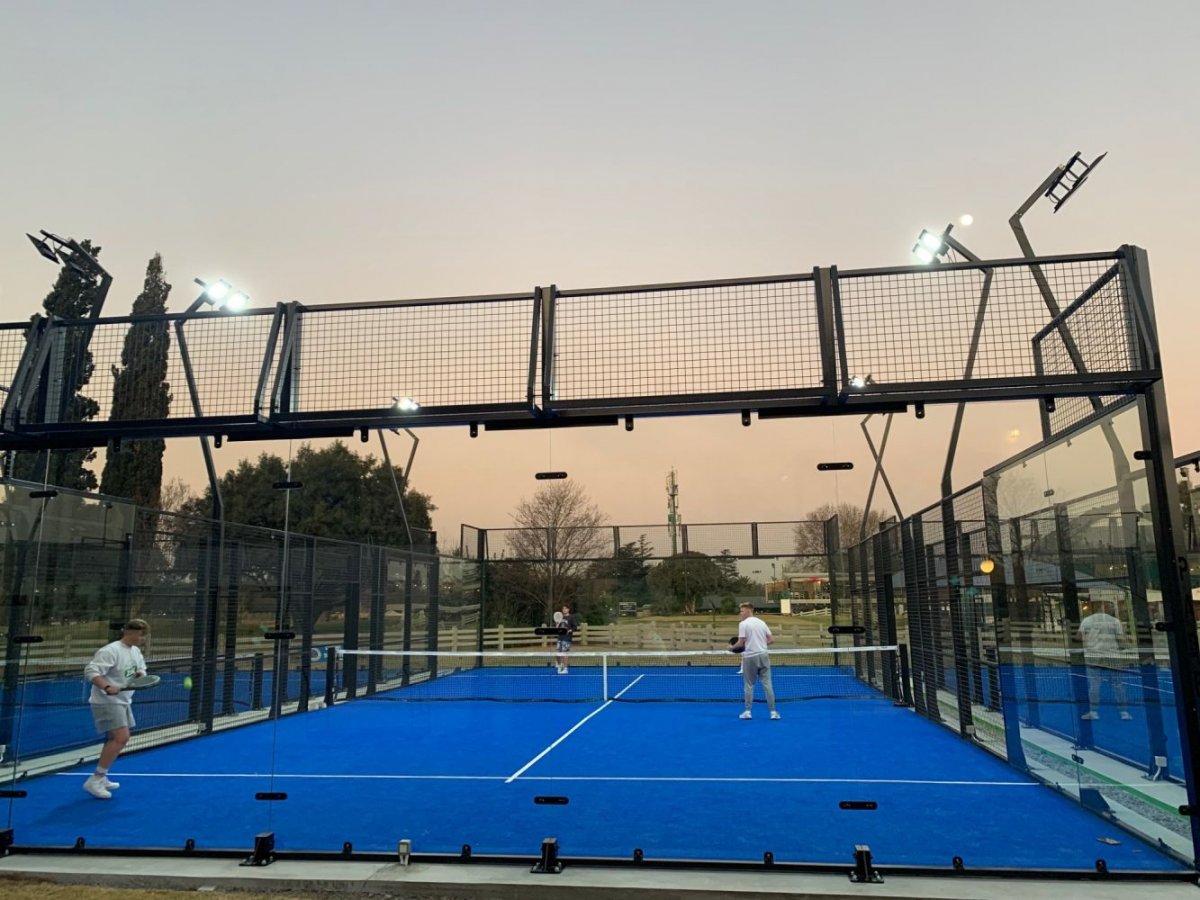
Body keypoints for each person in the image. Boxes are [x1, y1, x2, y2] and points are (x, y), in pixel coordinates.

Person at [81, 619, 149, 799]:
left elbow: (141, 669)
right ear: (130, 633)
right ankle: (95, 780)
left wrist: (140, 674)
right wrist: (107, 687)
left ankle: (101, 776)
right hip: (106, 701)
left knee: (117, 739)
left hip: (123, 700)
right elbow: (91, 671)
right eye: (141, 635)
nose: (143, 639)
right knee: (121, 737)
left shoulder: (135, 651)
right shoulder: (110, 651)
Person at [1076, 600, 1131, 721]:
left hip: (1093, 656)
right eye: (1110, 606)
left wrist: (1090, 639)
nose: (1112, 609)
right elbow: (1122, 641)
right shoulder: (1115, 621)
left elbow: (1078, 637)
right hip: (1112, 656)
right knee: (1118, 685)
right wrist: (1125, 641)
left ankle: (1093, 712)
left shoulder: (1087, 620)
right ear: (1103, 607)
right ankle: (1124, 712)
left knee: (1094, 685)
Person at [729, 602, 780, 720]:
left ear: (748, 611)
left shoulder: (743, 624)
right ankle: (773, 712)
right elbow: (771, 640)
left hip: (750, 657)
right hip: (764, 656)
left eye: (742, 611)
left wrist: (731, 648)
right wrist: (760, 645)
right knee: (767, 684)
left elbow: (740, 643)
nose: (740, 613)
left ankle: (747, 712)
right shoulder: (762, 622)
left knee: (749, 685)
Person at [556, 604, 579, 674]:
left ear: (568, 609)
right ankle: (560, 667)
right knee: (558, 654)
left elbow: (575, 627)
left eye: (565, 608)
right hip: (560, 638)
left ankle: (565, 669)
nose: (564, 609)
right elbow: (557, 628)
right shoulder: (560, 618)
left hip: (567, 638)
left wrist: (570, 630)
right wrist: (557, 624)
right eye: (563, 608)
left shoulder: (571, 617)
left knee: (565, 653)